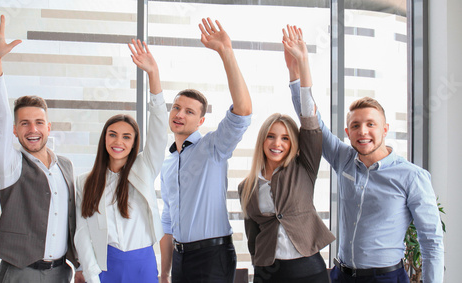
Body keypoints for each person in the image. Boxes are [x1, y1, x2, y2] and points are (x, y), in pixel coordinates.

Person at [285, 25, 444, 283]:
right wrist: (298, 68)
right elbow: (311, 120)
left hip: (386, 278)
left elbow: (431, 241)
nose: (364, 131)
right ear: (348, 132)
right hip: (341, 275)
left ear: (385, 129)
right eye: (356, 126)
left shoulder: (412, 176)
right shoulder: (343, 158)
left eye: (371, 124)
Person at [0, 12, 81, 282]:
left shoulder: (67, 166)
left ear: (49, 126)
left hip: (62, 272)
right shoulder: (10, 164)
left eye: (39, 122)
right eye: (24, 124)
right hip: (20, 272)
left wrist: (81, 265)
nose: (33, 129)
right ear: (15, 130)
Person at [237, 25, 335, 283]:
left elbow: (310, 122)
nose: (277, 143)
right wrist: (260, 262)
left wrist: (301, 65)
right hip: (268, 272)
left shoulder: (304, 168)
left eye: (284, 138)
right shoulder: (246, 186)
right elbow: (252, 233)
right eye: (271, 136)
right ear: (262, 141)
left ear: (293, 143)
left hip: (308, 268)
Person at [159, 18, 252, 283]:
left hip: (212, 256)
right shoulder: (168, 163)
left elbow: (243, 111)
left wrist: (226, 53)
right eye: (176, 107)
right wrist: (165, 273)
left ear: (200, 121)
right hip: (179, 258)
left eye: (189, 111)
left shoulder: (213, 147)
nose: (180, 114)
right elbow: (167, 220)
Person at [73, 39, 168, 283]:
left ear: (134, 142)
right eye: (113, 134)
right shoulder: (85, 182)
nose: (119, 141)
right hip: (106, 265)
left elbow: (158, 128)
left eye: (127, 136)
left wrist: (153, 75)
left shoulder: (144, 168)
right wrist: (92, 274)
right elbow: (82, 232)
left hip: (142, 264)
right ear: (104, 138)